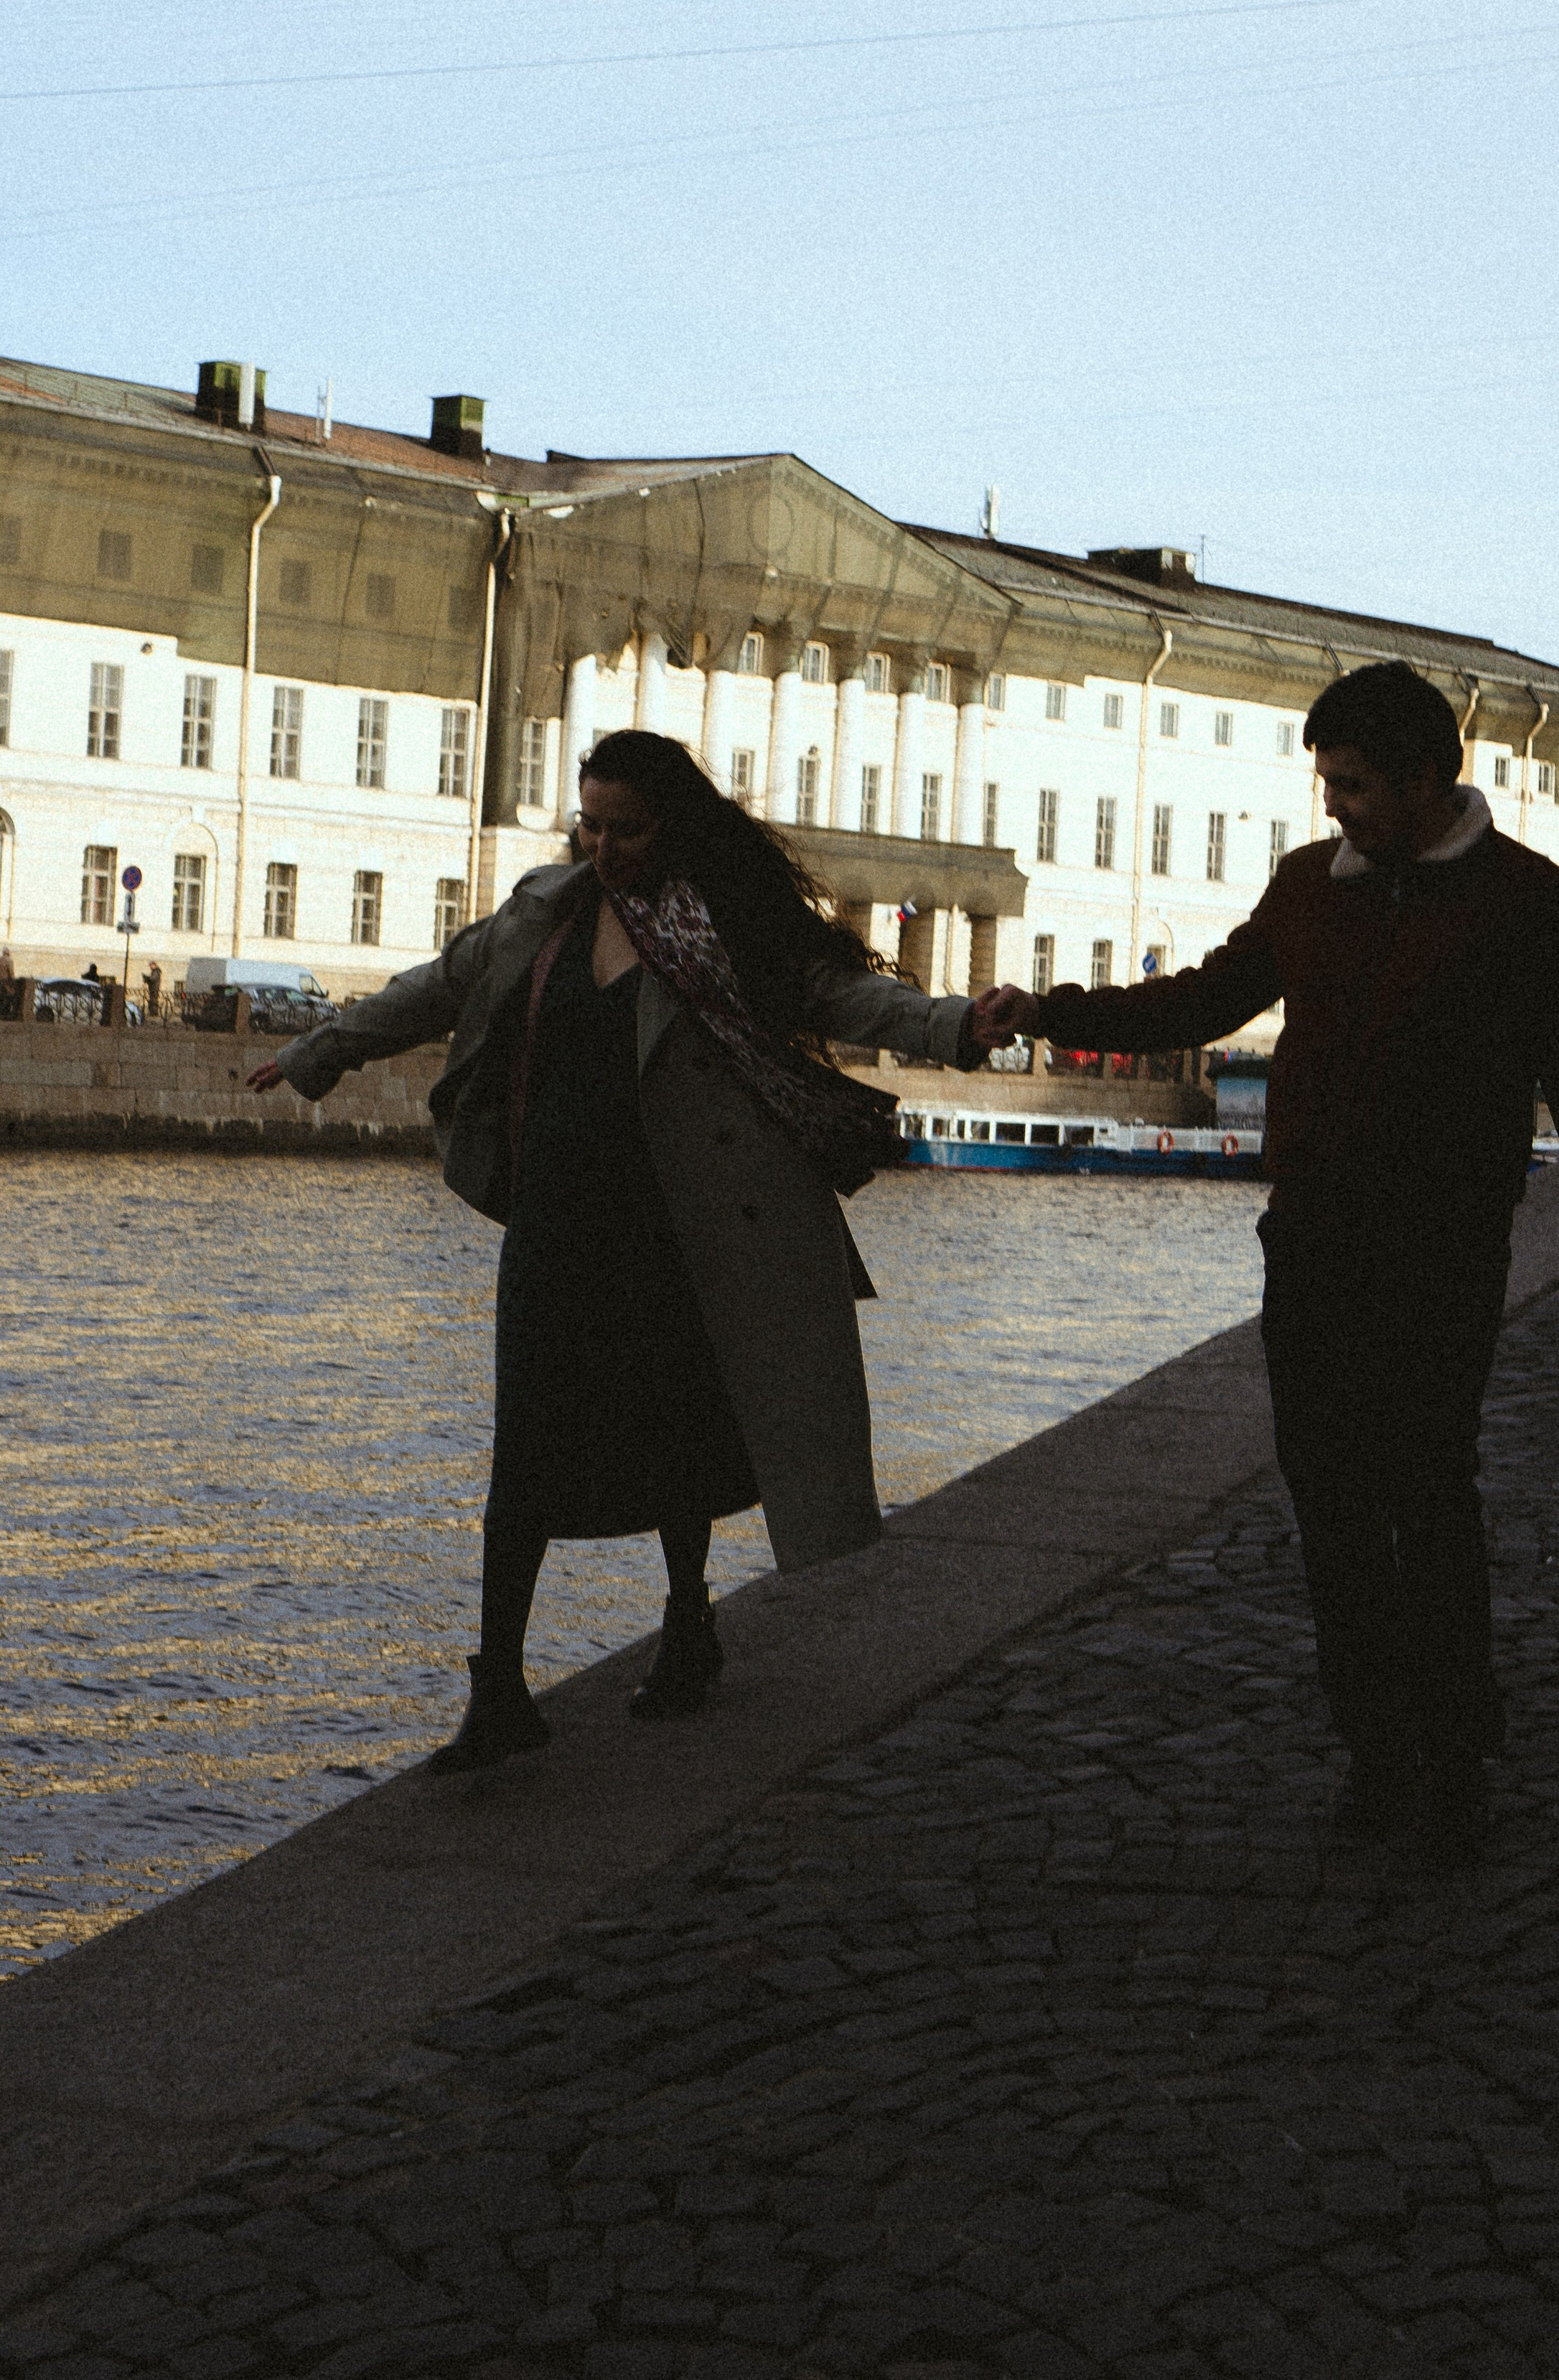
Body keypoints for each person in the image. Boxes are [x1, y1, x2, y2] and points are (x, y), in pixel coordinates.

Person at [978, 661, 1559, 1863]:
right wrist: (1052, 1011)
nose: (1331, 805)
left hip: (1442, 1247)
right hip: (1313, 1239)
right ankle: (1376, 1749)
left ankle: (1451, 1761)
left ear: (1425, 779)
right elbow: (1206, 1000)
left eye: (1349, 785)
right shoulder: (1308, 887)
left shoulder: (1527, 902)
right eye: (1327, 783)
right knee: (1329, 1501)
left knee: (1425, 1493)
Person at [249, 728, 1009, 1772]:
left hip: (675, 1221)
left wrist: (958, 1024)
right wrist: (315, 1052)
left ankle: (687, 1618)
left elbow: (844, 999)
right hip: (556, 1218)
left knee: (676, 1432)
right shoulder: (546, 911)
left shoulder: (727, 923)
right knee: (523, 1450)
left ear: (675, 826)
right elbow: (439, 985)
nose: (602, 847)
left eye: (627, 829)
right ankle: (501, 1689)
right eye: (589, 824)